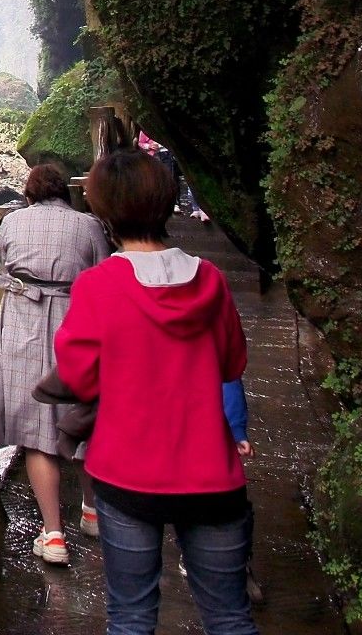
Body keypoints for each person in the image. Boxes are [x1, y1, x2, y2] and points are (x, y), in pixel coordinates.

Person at [57, 149, 255, 635]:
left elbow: (78, 378)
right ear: (166, 203)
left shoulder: (97, 286)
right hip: (211, 472)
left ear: (102, 212)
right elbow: (232, 364)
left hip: (127, 472)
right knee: (229, 618)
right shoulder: (212, 280)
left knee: (130, 616)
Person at [0, 162, 110, 564]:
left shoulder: (13, 222)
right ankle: (92, 512)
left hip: (22, 318)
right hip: (76, 317)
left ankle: (53, 533)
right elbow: (104, 272)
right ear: (65, 193)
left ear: (30, 193)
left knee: (36, 430)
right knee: (82, 414)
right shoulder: (89, 226)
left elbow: (2, 260)